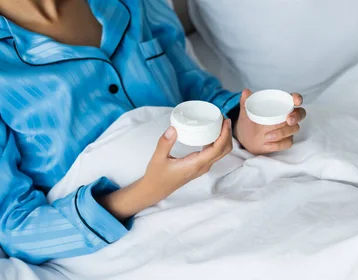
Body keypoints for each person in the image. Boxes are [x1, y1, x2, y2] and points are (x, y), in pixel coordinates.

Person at [0, 0, 307, 264]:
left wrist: (243, 126)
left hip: (225, 175)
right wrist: (146, 191)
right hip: (128, 239)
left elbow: (195, 90)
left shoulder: (137, 4)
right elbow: (14, 229)